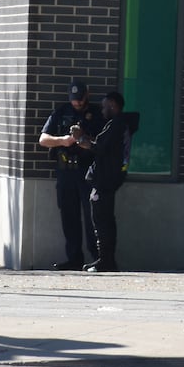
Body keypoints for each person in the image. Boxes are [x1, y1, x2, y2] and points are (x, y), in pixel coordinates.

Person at [38, 78, 103, 270]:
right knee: (69, 216)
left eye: (80, 99)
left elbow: (103, 142)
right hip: (66, 172)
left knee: (91, 217)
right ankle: (74, 258)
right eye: (74, 99)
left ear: (87, 95)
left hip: (87, 172)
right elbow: (43, 139)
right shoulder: (61, 112)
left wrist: (83, 137)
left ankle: (97, 258)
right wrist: (63, 141)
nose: (78, 103)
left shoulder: (97, 114)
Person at [75, 91, 134, 273]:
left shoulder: (117, 124)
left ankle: (106, 261)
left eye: (104, 106)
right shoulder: (121, 125)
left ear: (113, 106)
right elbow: (105, 146)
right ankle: (106, 260)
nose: (102, 110)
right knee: (105, 220)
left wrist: (80, 138)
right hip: (111, 179)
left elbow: (99, 147)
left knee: (102, 221)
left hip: (105, 180)